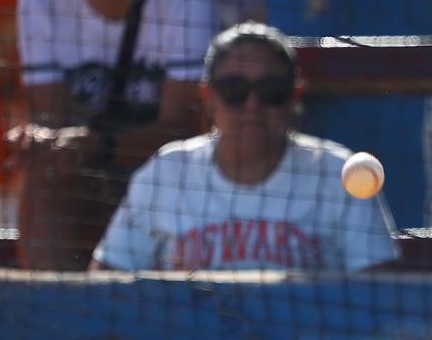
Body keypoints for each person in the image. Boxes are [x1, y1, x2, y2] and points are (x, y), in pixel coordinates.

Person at [10, 0, 216, 269]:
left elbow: (184, 131)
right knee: (42, 173)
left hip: (174, 176)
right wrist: (42, 142)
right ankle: (57, 316)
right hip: (88, 179)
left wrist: (91, 142)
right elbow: (54, 121)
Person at [92, 23, 399, 272]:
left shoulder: (339, 173)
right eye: (234, 90)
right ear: (208, 97)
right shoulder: (166, 173)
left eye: (271, 91)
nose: (252, 105)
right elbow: (107, 283)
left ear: (295, 96)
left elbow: (381, 297)